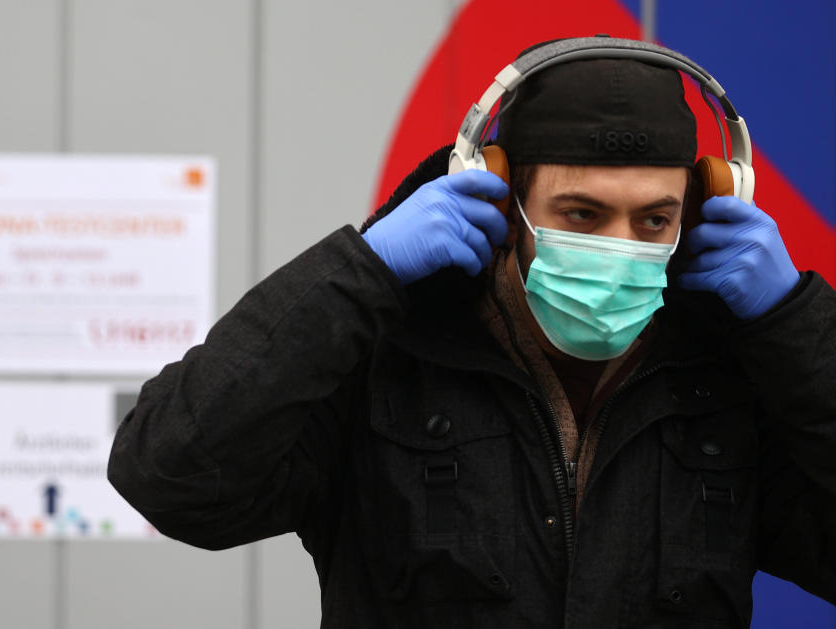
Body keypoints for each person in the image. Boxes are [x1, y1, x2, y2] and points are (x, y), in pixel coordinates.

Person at [108, 36, 836, 627]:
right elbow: (167, 473)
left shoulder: (728, 379)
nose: (620, 246)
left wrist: (795, 321)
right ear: (500, 198)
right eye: (580, 214)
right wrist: (365, 270)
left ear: (702, 209)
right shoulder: (388, 362)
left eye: (654, 219)